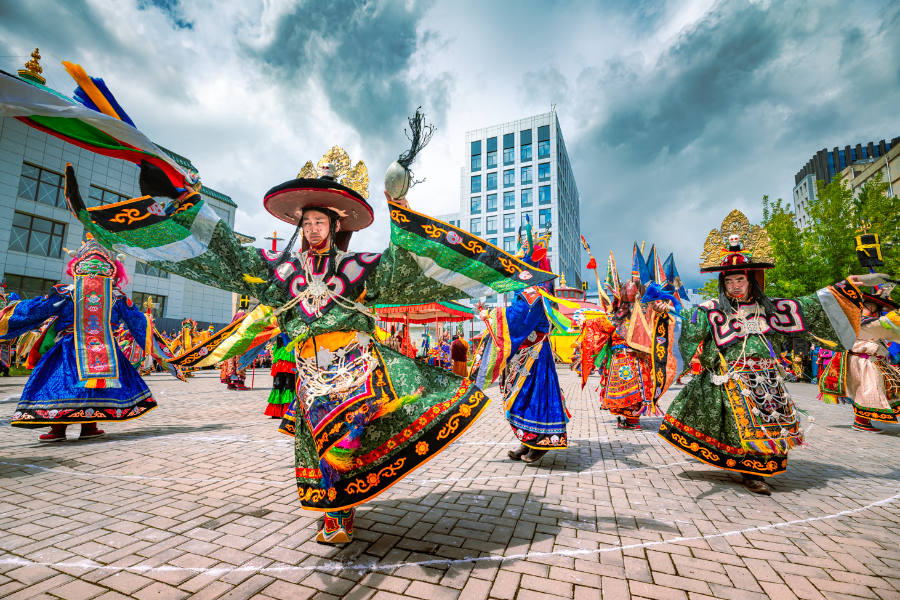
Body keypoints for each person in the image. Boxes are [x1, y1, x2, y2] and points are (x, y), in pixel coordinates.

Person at [73, 132, 552, 543]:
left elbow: (409, 269)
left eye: (320, 222)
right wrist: (185, 206)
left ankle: (341, 502)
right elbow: (225, 256)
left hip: (356, 367)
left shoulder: (359, 269)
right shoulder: (281, 272)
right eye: (307, 223)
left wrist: (399, 207)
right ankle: (336, 514)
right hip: (308, 374)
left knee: (348, 434)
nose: (313, 228)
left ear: (337, 225)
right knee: (323, 444)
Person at [657, 217, 878, 495]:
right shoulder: (711, 310)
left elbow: (811, 305)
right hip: (733, 377)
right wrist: (667, 313)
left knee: (773, 423)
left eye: (741, 279)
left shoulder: (772, 309)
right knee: (746, 424)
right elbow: (685, 326)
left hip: (768, 377)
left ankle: (757, 470)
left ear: (752, 281)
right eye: (730, 281)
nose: (736, 285)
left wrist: (845, 287)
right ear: (722, 284)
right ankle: (751, 473)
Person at [5, 237, 177, 441]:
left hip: (69, 348)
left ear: (77, 265)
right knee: (95, 386)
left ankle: (57, 429)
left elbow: (34, 310)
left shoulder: (65, 293)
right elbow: (140, 325)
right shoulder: (117, 296)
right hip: (106, 350)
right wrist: (168, 357)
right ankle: (89, 427)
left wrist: (7, 314)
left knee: (62, 383)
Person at [471, 224, 565, 463]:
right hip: (526, 354)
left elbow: (518, 318)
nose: (517, 266)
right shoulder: (531, 289)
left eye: (521, 261)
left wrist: (489, 315)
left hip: (534, 357)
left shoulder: (535, 292)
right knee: (521, 396)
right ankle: (527, 440)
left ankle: (541, 442)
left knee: (533, 397)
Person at [579, 273, 678, 431]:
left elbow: (657, 326)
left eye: (630, 300)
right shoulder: (617, 317)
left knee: (635, 391)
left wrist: (660, 311)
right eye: (624, 300)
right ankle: (627, 417)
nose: (627, 304)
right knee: (623, 390)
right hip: (618, 359)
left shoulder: (646, 315)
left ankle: (632, 419)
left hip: (636, 359)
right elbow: (603, 327)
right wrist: (587, 324)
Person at [818, 291, 900, 432]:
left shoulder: (872, 325)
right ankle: (861, 421)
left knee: (877, 389)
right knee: (868, 391)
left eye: (876, 310)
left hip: (873, 362)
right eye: (870, 308)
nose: (873, 312)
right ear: (862, 307)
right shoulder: (857, 323)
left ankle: (863, 420)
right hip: (862, 362)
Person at [266, 334, 296, 417]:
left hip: (280, 358)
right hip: (290, 357)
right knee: (289, 386)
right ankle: (288, 411)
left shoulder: (278, 329)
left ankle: (276, 412)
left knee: (278, 386)